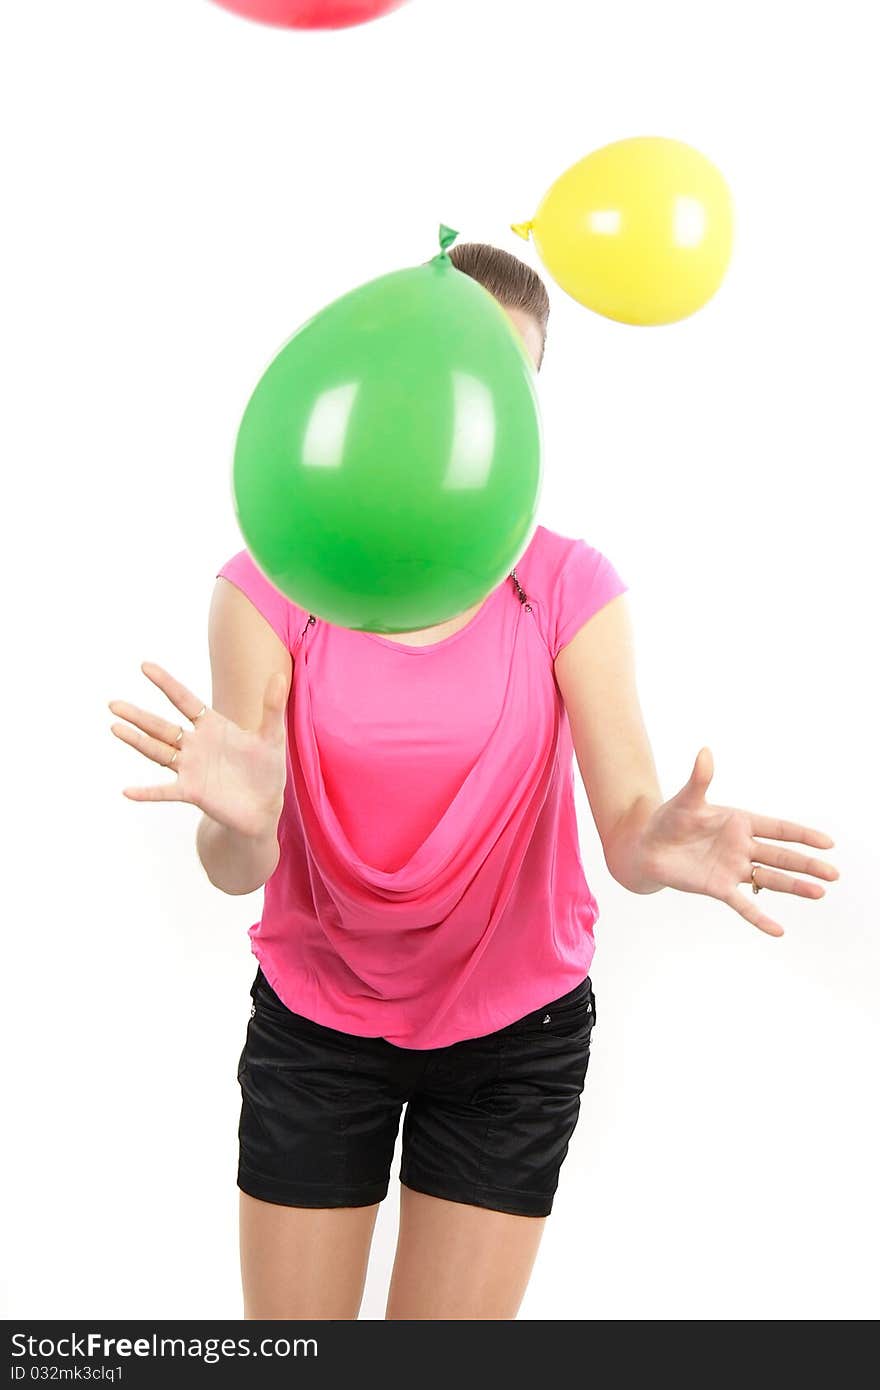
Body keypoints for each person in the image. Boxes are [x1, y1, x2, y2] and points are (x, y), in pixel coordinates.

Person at [108, 243, 838, 1321]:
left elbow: (631, 834)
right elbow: (234, 867)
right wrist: (244, 826)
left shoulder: (564, 584)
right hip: (318, 1028)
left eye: (506, 386)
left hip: (517, 1038)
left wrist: (659, 848)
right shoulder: (271, 583)